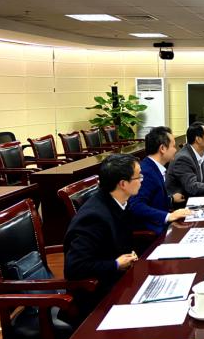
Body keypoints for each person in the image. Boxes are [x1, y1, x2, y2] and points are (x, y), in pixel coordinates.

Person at [64, 154, 141, 317]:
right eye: (138, 177)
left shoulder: (119, 202)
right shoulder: (94, 217)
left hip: (119, 282)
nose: (142, 180)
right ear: (123, 184)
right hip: (97, 296)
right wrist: (115, 264)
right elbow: (75, 267)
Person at [128, 126, 191, 234]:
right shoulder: (146, 172)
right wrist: (168, 216)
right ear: (162, 148)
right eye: (173, 146)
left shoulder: (153, 167)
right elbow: (136, 206)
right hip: (152, 231)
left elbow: (153, 199)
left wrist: (171, 199)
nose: (176, 150)